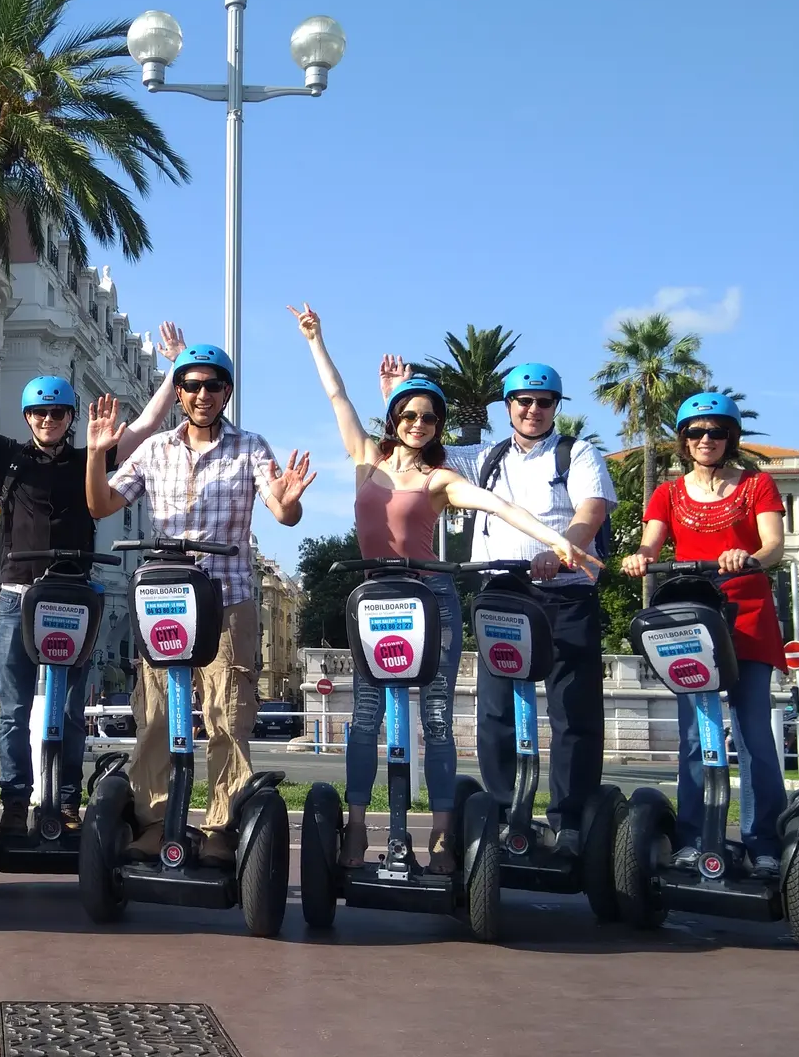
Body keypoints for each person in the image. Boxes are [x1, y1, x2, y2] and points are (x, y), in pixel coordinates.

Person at [294, 306, 599, 869]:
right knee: (365, 718)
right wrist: (316, 341)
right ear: (394, 418)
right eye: (409, 414)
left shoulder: (442, 478)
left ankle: (438, 837)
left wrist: (559, 543)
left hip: (432, 600)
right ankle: (359, 830)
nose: (418, 423)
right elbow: (338, 398)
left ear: (439, 426)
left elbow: (500, 505)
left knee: (435, 718)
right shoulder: (366, 459)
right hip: (373, 598)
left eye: (430, 417)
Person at [0, 307, 183, 836]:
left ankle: (68, 801)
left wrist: (171, 373)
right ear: (29, 419)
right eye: (40, 414)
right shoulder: (9, 457)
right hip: (16, 594)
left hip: (75, 594)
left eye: (58, 414)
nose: (49, 421)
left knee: (72, 707)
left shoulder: (89, 458)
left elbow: (143, 427)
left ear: (71, 418)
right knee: (14, 706)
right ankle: (16, 802)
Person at [82, 342, 314, 863]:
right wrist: (97, 452)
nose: (202, 394)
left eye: (213, 385)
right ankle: (152, 818)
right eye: (191, 385)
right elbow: (101, 504)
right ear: (179, 392)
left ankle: (221, 826)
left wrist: (290, 500)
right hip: (165, 598)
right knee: (157, 717)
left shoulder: (251, 446)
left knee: (227, 718)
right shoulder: (154, 450)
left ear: (227, 392)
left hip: (228, 597)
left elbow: (282, 510)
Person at [381, 356, 617, 857]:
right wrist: (400, 396)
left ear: (556, 406)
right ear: (507, 406)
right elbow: (413, 444)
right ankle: (508, 814)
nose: (533, 409)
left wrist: (561, 549)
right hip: (502, 594)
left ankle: (569, 821)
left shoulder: (577, 455)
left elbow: (590, 511)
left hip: (564, 592)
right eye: (523, 401)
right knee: (495, 712)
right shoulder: (481, 457)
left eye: (544, 402)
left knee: (572, 711)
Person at [621, 391, 787, 876]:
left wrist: (749, 556)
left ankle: (763, 844)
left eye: (715, 431)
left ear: (730, 437)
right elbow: (651, 542)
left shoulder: (756, 485)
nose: (706, 440)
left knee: (754, 732)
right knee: (695, 734)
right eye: (696, 432)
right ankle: (694, 838)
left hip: (748, 615)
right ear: (684, 440)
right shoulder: (668, 494)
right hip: (692, 619)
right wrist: (641, 558)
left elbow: (774, 542)